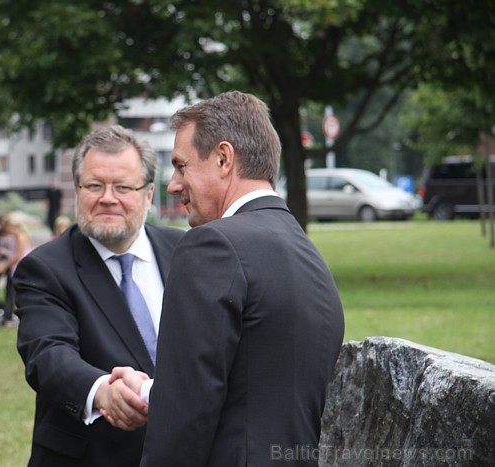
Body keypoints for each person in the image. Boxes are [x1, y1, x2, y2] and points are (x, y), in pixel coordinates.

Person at [106, 91, 345, 466]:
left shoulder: (211, 246)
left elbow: (184, 420)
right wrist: (154, 392)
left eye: (182, 166)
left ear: (222, 158)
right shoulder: (307, 253)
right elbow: (256, 387)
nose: (173, 184)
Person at [13, 126, 185, 467]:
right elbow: (47, 355)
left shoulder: (184, 251)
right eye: (94, 185)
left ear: (148, 195)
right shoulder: (44, 269)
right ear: (77, 191)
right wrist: (102, 390)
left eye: (123, 186)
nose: (108, 197)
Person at [0, 211, 31, 327]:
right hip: (13, 267)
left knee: (12, 293)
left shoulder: (20, 235)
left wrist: (4, 265)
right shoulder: (15, 235)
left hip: (18, 268)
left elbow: (18, 256)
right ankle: (8, 316)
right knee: (9, 292)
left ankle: (9, 319)